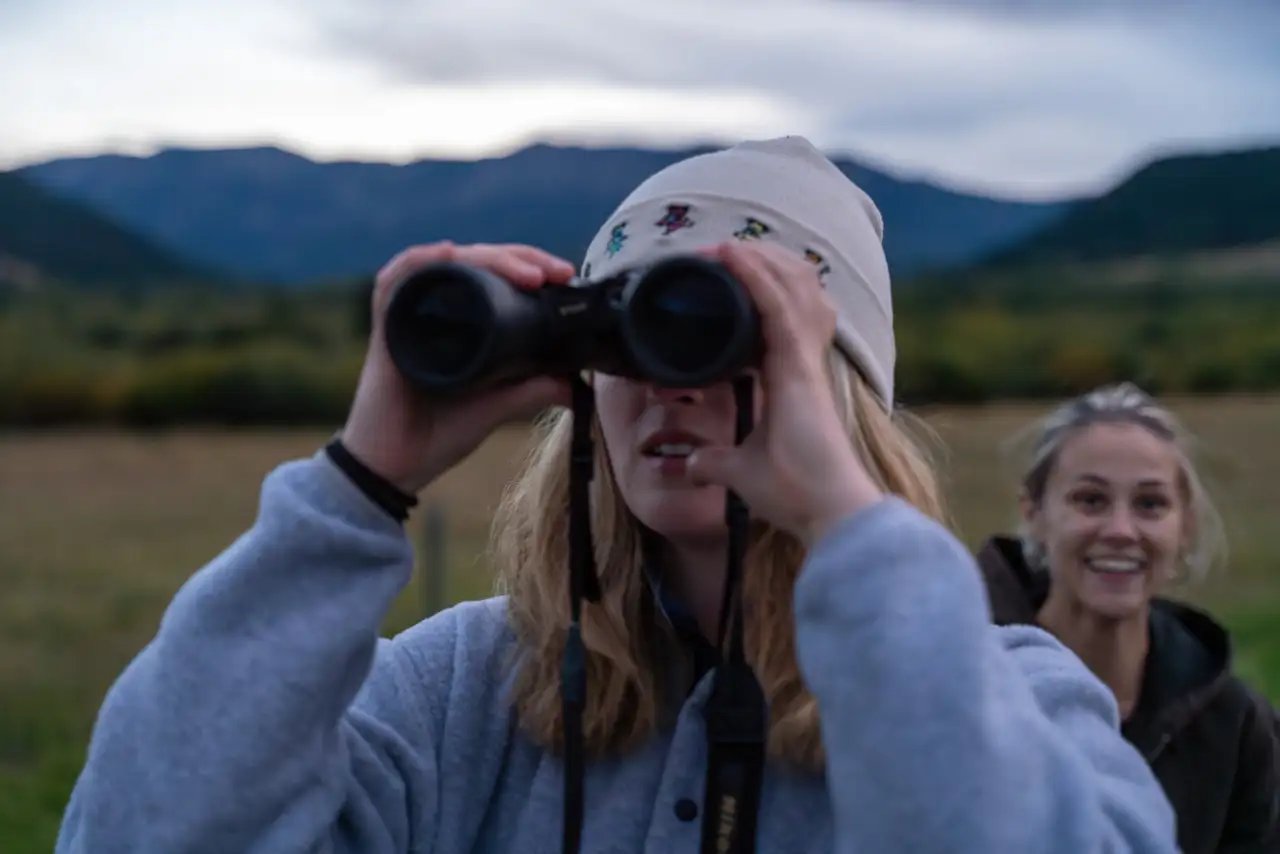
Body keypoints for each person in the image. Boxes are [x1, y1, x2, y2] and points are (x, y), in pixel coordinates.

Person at [55, 137, 1178, 853]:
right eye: (632, 332)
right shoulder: (461, 693)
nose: (664, 383)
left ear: (835, 394)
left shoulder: (1010, 697)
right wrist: (357, 484)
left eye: (710, 333)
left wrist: (847, 524)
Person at [977, 382, 1280, 854]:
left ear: (1186, 528)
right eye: (1091, 500)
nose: (1121, 531)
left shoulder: (1236, 727)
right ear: (1034, 513)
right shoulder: (959, 684)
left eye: (1150, 504)